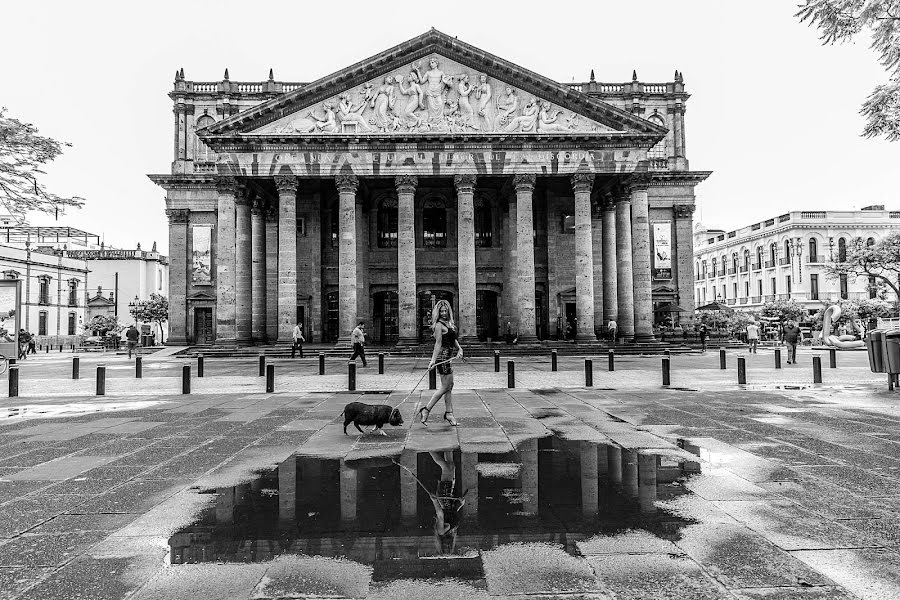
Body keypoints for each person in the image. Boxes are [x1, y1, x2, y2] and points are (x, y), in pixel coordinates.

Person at [418, 300, 463, 427]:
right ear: (438, 312)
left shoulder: (449, 323)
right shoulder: (438, 325)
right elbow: (438, 343)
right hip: (443, 358)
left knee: (450, 385)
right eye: (441, 311)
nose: (443, 313)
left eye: (445, 310)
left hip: (448, 356)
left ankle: (449, 413)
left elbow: (453, 338)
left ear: (448, 310)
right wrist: (432, 360)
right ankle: (426, 409)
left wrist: (460, 348)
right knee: (445, 387)